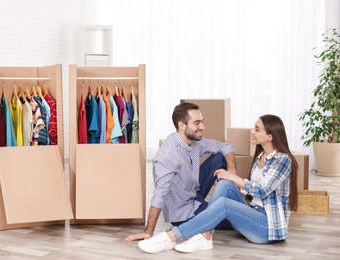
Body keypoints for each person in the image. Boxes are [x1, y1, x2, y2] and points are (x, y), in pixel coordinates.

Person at [137, 114, 299, 254]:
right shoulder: (261, 156)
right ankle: (206, 235)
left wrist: (232, 176)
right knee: (224, 185)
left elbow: (263, 190)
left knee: (224, 202)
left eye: (257, 129)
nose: (251, 131)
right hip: (254, 214)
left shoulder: (283, 160)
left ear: (270, 136)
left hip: (267, 228)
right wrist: (229, 178)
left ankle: (171, 237)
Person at [126, 102, 237, 243]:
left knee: (220, 156)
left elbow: (226, 146)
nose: (202, 127)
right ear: (181, 125)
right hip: (183, 212)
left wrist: (231, 172)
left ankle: (224, 203)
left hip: (194, 191)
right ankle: (221, 209)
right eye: (197, 123)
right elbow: (160, 194)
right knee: (233, 217)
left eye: (202, 122)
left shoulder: (194, 141)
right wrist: (149, 230)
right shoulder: (168, 155)